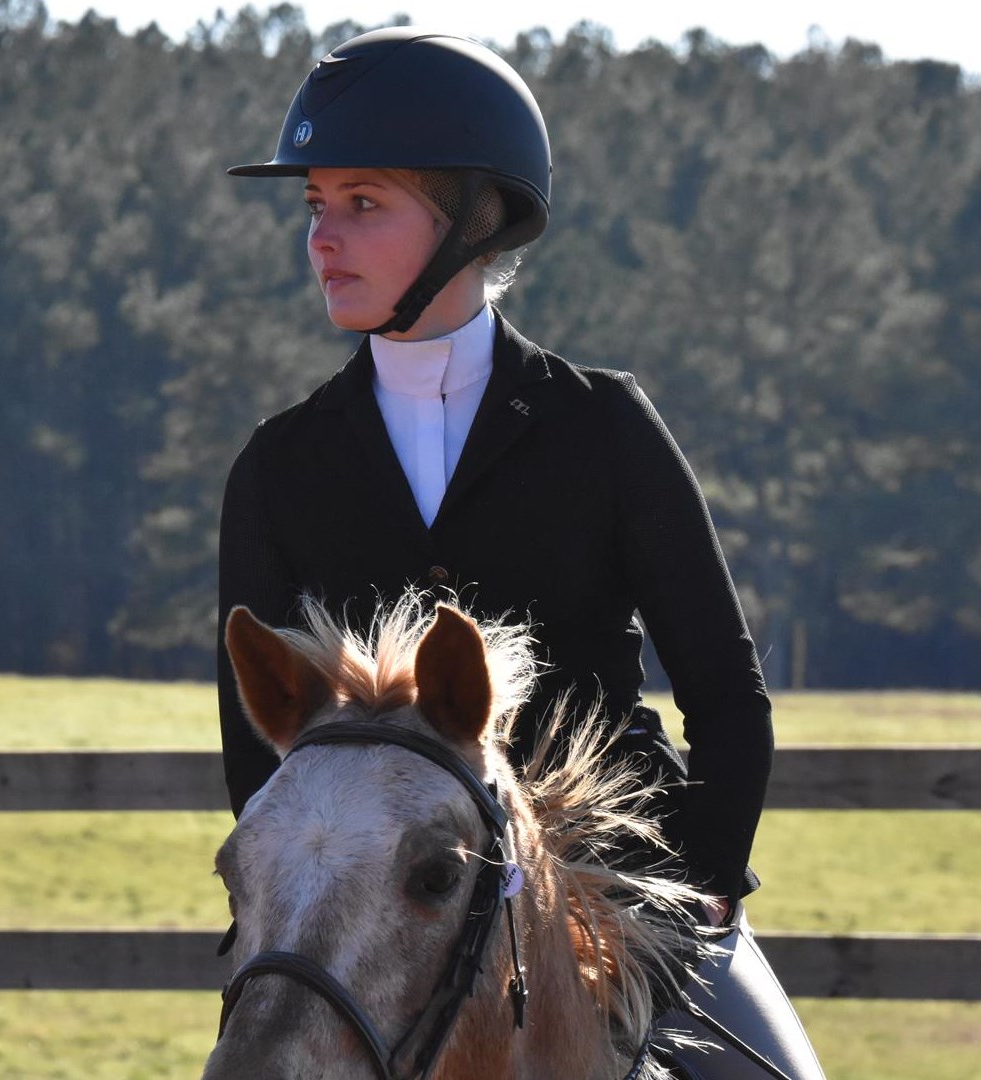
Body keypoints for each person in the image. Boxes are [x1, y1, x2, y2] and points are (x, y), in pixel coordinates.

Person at [215, 26, 827, 1080]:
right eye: (318, 206)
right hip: (379, 926)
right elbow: (259, 756)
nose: (323, 237)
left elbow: (727, 692)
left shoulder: (605, 428)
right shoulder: (279, 467)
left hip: (624, 904)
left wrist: (701, 887)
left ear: (474, 218)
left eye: (365, 204)